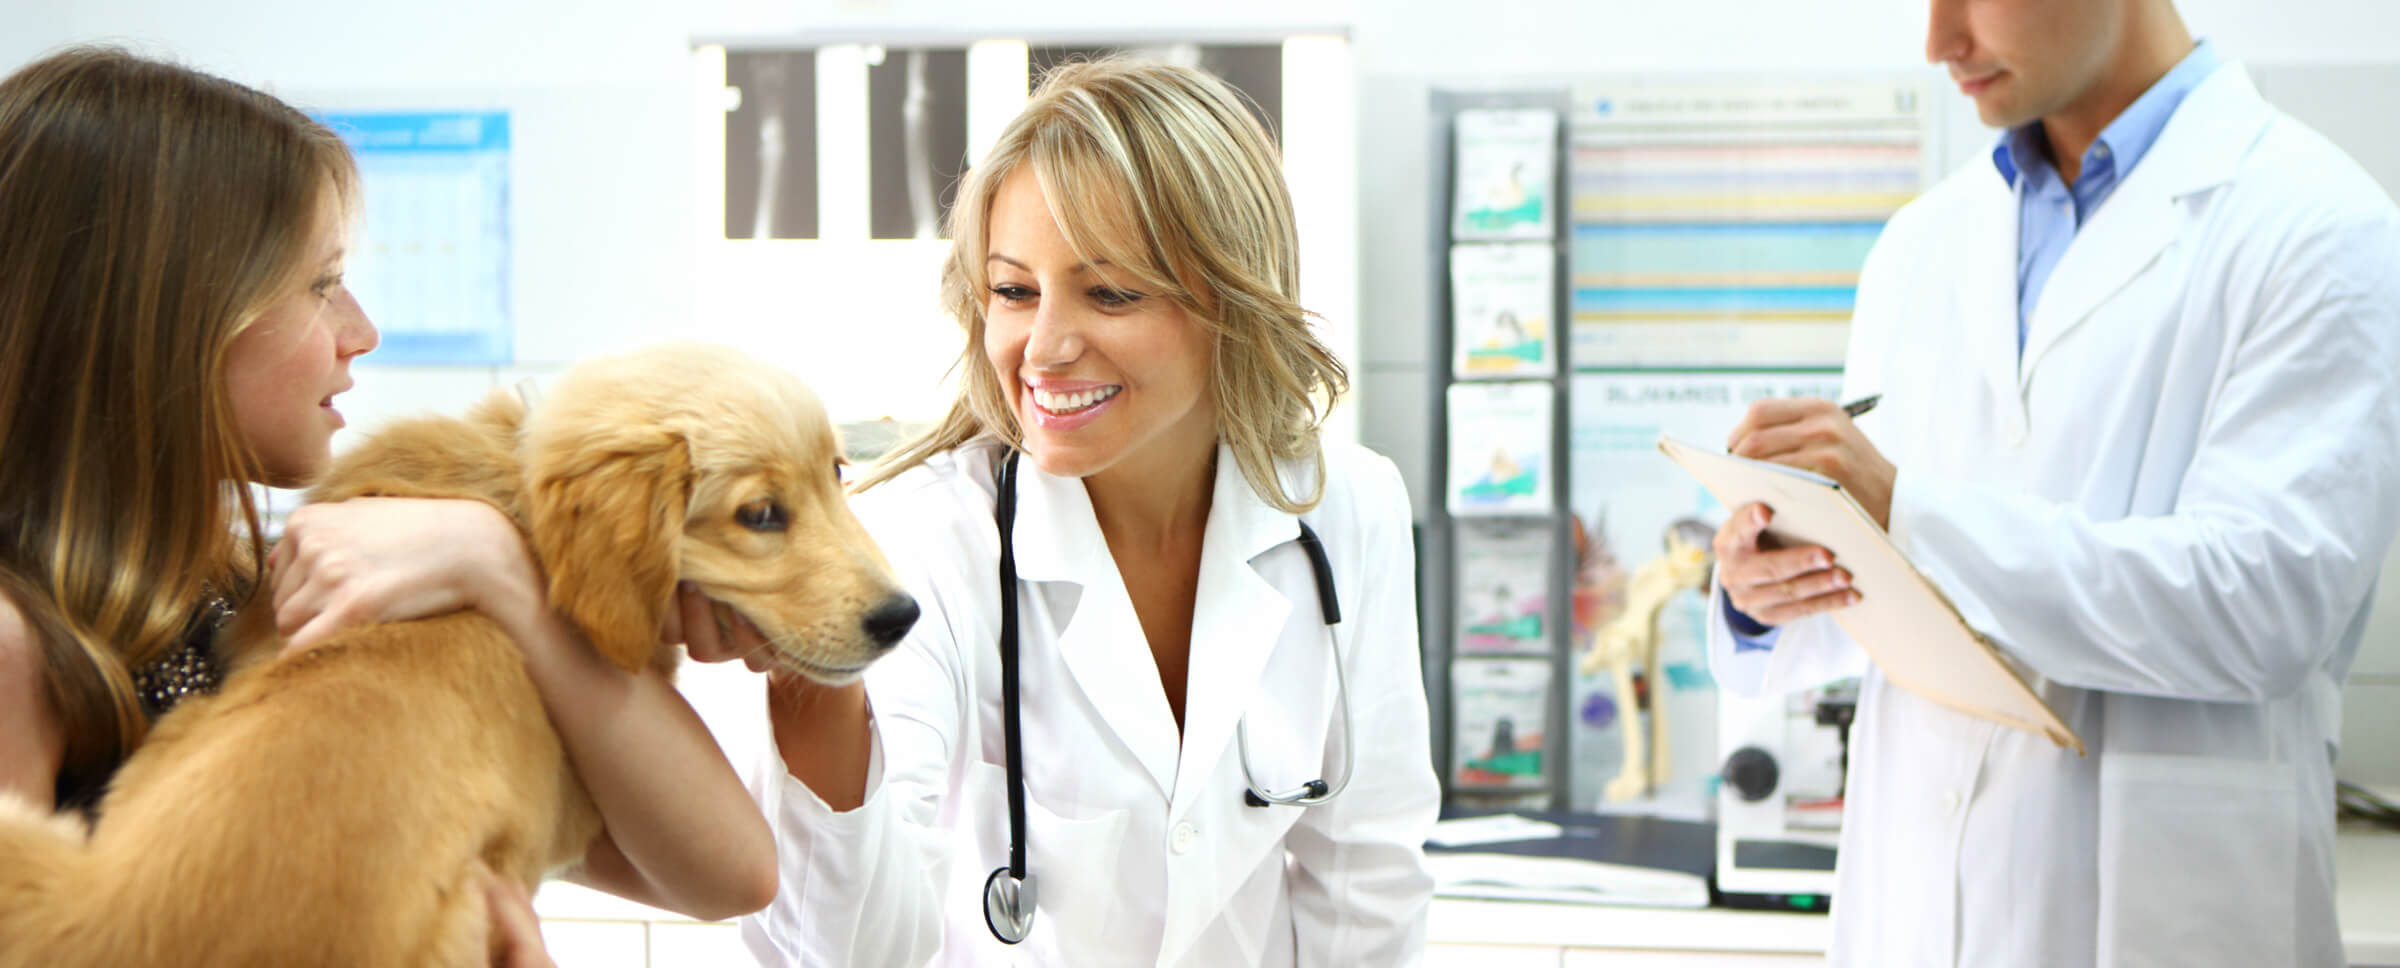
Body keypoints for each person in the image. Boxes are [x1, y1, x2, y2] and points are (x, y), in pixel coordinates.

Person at [0, 47, 776, 962]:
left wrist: (503, 575)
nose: (360, 333)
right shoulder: (20, 645)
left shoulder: (272, 589)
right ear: (161, 318)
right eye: (320, 286)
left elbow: (727, 874)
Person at [679, 58, 1439, 965]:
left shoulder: (1344, 508)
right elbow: (842, 951)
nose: (1043, 348)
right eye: (1013, 291)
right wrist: (818, 681)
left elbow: (1366, 884)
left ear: (1234, 303)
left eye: (1111, 293)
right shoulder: (920, 539)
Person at [1706, 1, 2400, 965]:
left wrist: (1905, 510)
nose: (1939, 42)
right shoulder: (1922, 244)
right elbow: (1899, 583)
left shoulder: (2318, 225)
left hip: (2162, 914)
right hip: (1915, 912)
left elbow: (2268, 604)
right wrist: (1771, 588)